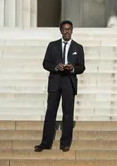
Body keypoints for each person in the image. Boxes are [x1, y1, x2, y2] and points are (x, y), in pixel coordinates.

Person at [34, 20, 86, 152]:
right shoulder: (52, 46)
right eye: (65, 29)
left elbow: (82, 67)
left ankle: (65, 143)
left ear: (72, 30)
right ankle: (46, 143)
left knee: (68, 113)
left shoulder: (78, 47)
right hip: (55, 82)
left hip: (69, 82)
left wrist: (72, 68)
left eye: (69, 29)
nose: (67, 31)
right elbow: (46, 63)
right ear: (61, 31)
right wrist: (57, 67)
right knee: (51, 111)